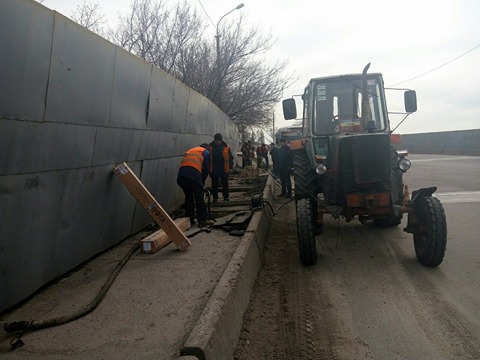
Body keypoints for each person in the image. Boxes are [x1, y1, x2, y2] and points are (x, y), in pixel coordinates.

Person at [177, 143, 214, 227]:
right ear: (207, 148)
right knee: (199, 198)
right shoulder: (206, 152)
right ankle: (202, 221)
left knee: (189, 198)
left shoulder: (190, 150)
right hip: (193, 175)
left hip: (182, 176)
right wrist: (202, 182)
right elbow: (206, 169)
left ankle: (190, 220)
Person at [209, 133, 234, 202]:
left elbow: (230, 158)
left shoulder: (226, 147)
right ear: (214, 140)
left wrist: (231, 167)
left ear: (221, 140)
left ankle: (226, 196)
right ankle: (215, 198)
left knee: (225, 183)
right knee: (214, 184)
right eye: (216, 140)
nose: (218, 142)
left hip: (224, 168)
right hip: (214, 168)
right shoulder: (210, 147)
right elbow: (208, 158)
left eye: (219, 140)